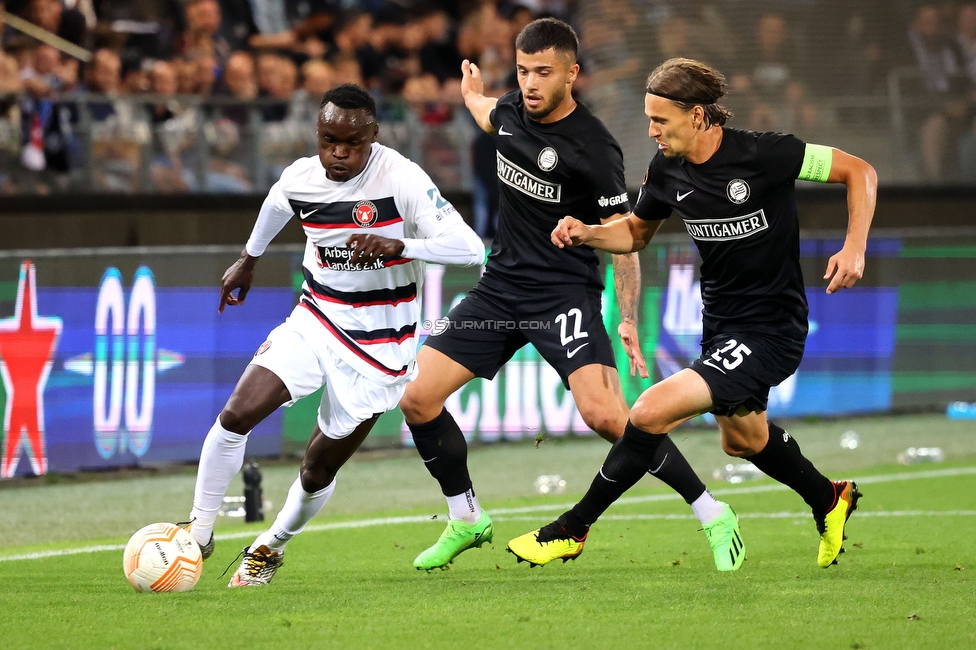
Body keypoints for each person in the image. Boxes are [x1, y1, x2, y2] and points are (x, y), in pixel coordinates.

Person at [399, 19, 745, 574]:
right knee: (417, 398)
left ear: (571, 74)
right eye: (522, 71)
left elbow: (627, 242)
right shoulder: (511, 112)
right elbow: (486, 110)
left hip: (563, 297)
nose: (530, 83)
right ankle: (465, 517)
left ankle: (712, 511)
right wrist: (468, 91)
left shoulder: (594, 148)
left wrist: (627, 318)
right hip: (500, 289)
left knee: (609, 417)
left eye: (543, 72)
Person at [507, 57, 876, 569]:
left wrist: (854, 245)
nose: (652, 131)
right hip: (721, 327)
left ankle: (572, 528)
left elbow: (859, 171)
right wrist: (589, 232)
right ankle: (827, 497)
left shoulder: (766, 154)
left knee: (649, 411)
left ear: (699, 116)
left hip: (772, 329)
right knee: (743, 441)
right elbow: (636, 232)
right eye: (649, 119)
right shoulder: (666, 170)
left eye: (661, 121)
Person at [182, 83, 486, 587]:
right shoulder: (302, 177)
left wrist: (398, 245)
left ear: (373, 136)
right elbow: (279, 204)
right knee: (237, 414)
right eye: (328, 140)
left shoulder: (403, 179)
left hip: (380, 351)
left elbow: (471, 249)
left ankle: (270, 545)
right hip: (316, 318)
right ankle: (199, 533)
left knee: (315, 470)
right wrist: (249, 259)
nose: (338, 153)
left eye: (351, 143)